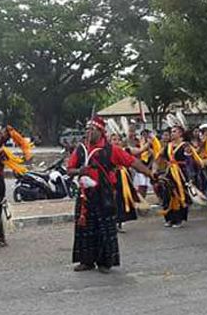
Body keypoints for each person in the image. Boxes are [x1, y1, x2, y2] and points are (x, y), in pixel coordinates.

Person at [66, 116, 154, 273]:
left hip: (104, 194)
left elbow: (133, 162)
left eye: (91, 129)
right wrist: (80, 171)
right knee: (85, 228)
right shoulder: (81, 149)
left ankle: (105, 262)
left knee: (105, 228)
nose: (88, 132)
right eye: (87, 129)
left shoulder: (111, 150)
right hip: (85, 195)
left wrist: (151, 175)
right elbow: (69, 169)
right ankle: (86, 261)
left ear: (100, 132)